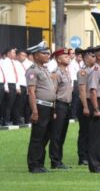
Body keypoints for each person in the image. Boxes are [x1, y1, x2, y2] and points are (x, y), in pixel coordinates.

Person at [26, 41, 56, 173]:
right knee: (37, 136)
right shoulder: (33, 70)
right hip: (40, 106)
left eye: (48, 53)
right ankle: (33, 165)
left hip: (49, 107)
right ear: (36, 55)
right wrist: (34, 111)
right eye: (44, 53)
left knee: (46, 136)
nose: (47, 55)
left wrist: (53, 108)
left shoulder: (45, 69)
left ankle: (40, 163)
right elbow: (31, 91)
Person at [49, 48, 73, 169]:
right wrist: (53, 110)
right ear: (58, 59)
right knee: (56, 134)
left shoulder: (67, 72)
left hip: (67, 106)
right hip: (59, 105)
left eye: (68, 56)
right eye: (65, 56)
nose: (68, 57)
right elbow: (53, 93)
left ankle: (59, 160)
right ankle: (55, 161)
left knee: (62, 134)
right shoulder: (56, 73)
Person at [76, 47, 97, 166]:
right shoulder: (83, 71)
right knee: (84, 131)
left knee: (92, 131)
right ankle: (82, 156)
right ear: (85, 58)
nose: (95, 58)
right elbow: (82, 90)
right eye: (92, 56)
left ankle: (90, 154)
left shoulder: (94, 70)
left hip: (93, 102)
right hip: (86, 102)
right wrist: (85, 107)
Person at [0, 48, 20, 126]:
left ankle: (8, 120)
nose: (15, 54)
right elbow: (4, 75)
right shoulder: (4, 62)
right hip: (8, 84)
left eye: (15, 53)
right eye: (13, 52)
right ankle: (6, 121)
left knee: (12, 104)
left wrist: (17, 86)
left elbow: (16, 75)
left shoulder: (15, 62)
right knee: (7, 105)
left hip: (14, 84)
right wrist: (6, 87)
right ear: (8, 53)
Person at [13, 49, 30, 125]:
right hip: (18, 86)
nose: (24, 57)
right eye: (22, 55)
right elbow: (15, 76)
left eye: (25, 56)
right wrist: (17, 87)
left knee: (22, 105)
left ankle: (19, 120)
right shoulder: (14, 64)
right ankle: (17, 121)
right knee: (17, 105)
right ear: (17, 56)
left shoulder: (24, 64)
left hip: (24, 86)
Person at [69, 48, 82, 120]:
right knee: (75, 100)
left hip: (80, 82)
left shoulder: (81, 63)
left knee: (79, 100)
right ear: (76, 56)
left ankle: (77, 114)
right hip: (75, 82)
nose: (81, 58)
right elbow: (72, 75)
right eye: (79, 56)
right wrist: (72, 86)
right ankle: (73, 115)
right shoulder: (72, 63)